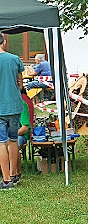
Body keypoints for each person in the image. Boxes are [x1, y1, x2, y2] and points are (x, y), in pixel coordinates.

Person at [0, 33, 24, 190]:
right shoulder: (15, 59)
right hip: (14, 105)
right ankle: (15, 174)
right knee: (13, 139)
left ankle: (6, 180)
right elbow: (20, 83)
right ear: (4, 41)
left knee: (1, 142)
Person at [12, 88, 34, 184]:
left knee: (13, 144)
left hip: (20, 134)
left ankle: (16, 173)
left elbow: (25, 128)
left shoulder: (22, 104)